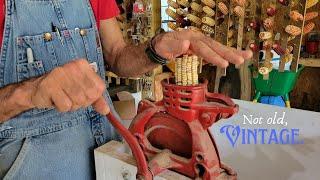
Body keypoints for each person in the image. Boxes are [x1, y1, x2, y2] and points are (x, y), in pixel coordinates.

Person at [0, 0, 252, 179]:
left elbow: (117, 55)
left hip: (111, 149)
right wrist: (30, 91)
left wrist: (156, 50)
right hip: (36, 165)